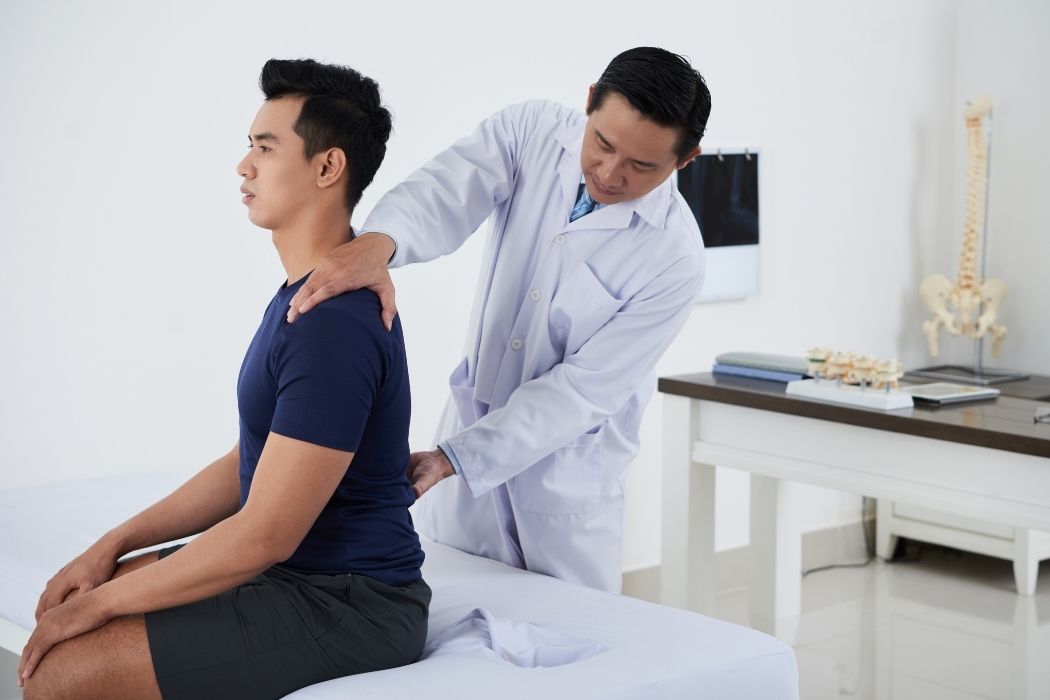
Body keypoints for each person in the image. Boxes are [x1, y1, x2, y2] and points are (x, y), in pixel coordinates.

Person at [19, 59, 429, 700]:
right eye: (249, 146)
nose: (244, 166)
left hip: (350, 603)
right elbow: (254, 459)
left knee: (60, 673)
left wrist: (100, 609)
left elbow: (266, 532)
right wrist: (114, 544)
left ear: (327, 167)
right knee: (91, 594)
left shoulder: (334, 325)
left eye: (265, 148)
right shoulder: (303, 295)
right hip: (295, 574)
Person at [286, 47, 712, 593]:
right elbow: (446, 189)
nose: (609, 173)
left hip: (564, 484)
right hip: (465, 455)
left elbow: (582, 392)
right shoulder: (532, 131)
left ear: (686, 159)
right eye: (602, 143)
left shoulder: (674, 257)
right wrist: (379, 243)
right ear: (588, 103)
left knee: (568, 647)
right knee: (450, 616)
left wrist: (457, 456)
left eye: (642, 166)